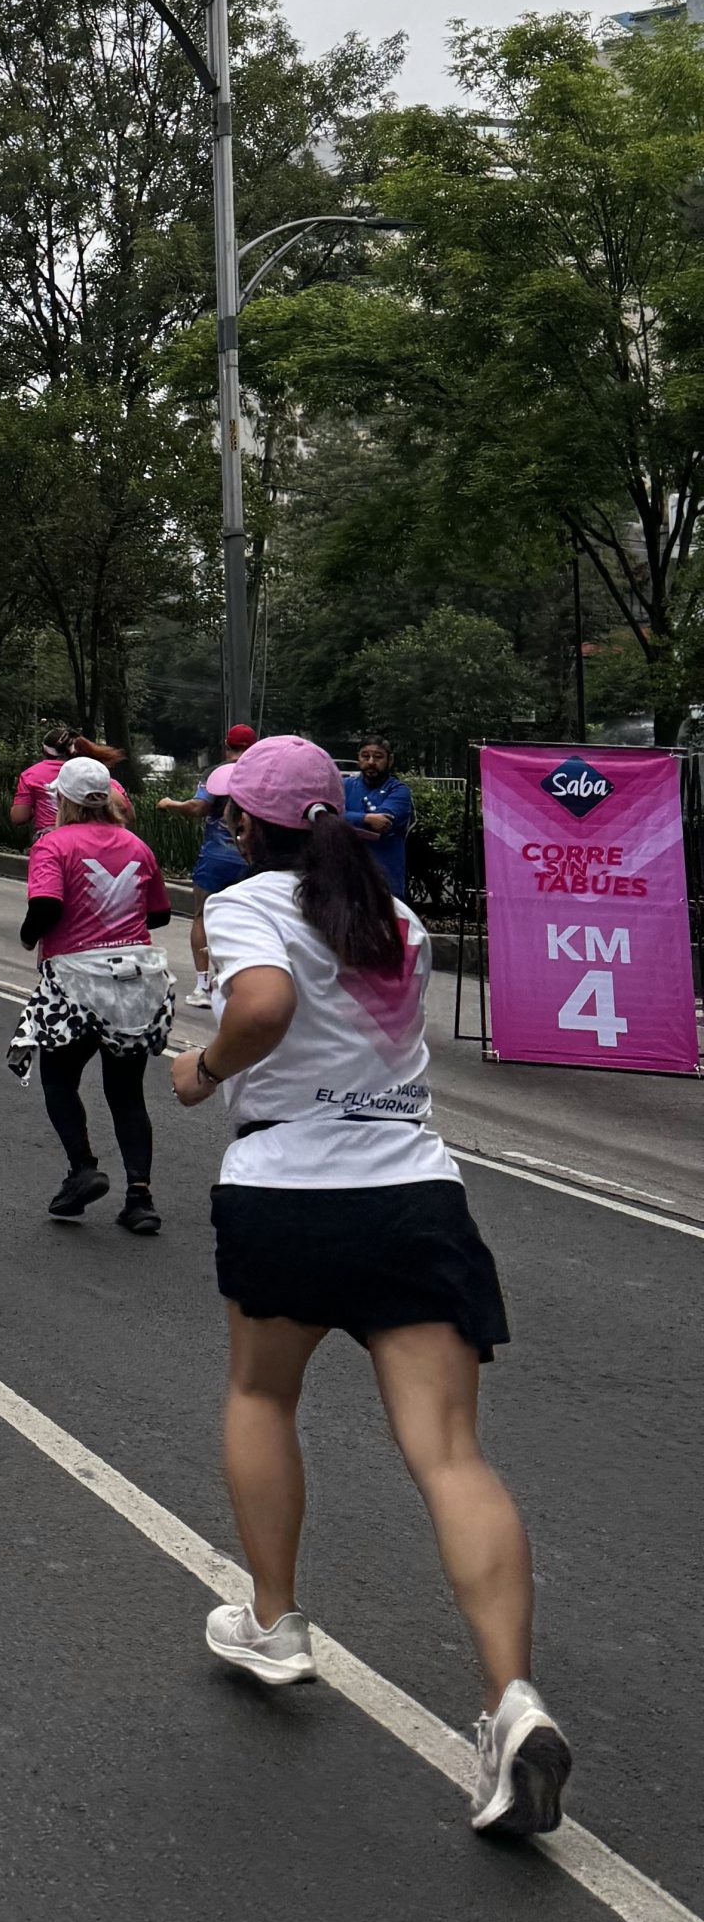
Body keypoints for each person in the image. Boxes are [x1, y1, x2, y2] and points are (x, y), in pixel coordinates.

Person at [169, 733, 568, 1838]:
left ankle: (274, 1621)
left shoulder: (250, 902)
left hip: (288, 1191)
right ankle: (510, 1700)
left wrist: (200, 1072)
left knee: (261, 1396)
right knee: (449, 1455)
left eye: (229, 815)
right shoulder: (394, 922)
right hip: (412, 1196)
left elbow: (257, 1008)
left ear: (249, 824)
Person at [6, 756, 176, 1233]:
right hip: (135, 982)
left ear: (63, 799)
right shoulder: (138, 846)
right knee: (127, 1093)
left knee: (59, 1080)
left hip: (76, 980)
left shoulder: (52, 844)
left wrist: (27, 936)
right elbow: (158, 914)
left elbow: (45, 904)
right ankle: (139, 1198)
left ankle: (82, 1168)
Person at [158, 724, 256, 1004]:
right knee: (247, 921)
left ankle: (202, 987)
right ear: (254, 746)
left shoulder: (216, 773)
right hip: (251, 858)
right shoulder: (264, 772)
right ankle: (239, 984)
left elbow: (198, 808)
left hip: (216, 857)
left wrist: (170, 804)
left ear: (226, 746)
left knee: (202, 916)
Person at [12, 729, 131, 837]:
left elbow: (19, 817)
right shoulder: (94, 772)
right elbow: (128, 813)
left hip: (50, 838)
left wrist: (37, 807)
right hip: (92, 838)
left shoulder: (31, 775)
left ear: (44, 750)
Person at [343, 732, 415, 901]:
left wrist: (345, 818)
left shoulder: (399, 791)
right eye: (365, 756)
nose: (371, 762)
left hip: (385, 880)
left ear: (390, 760)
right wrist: (365, 819)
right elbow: (326, 818)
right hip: (347, 879)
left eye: (378, 757)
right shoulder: (344, 786)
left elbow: (380, 823)